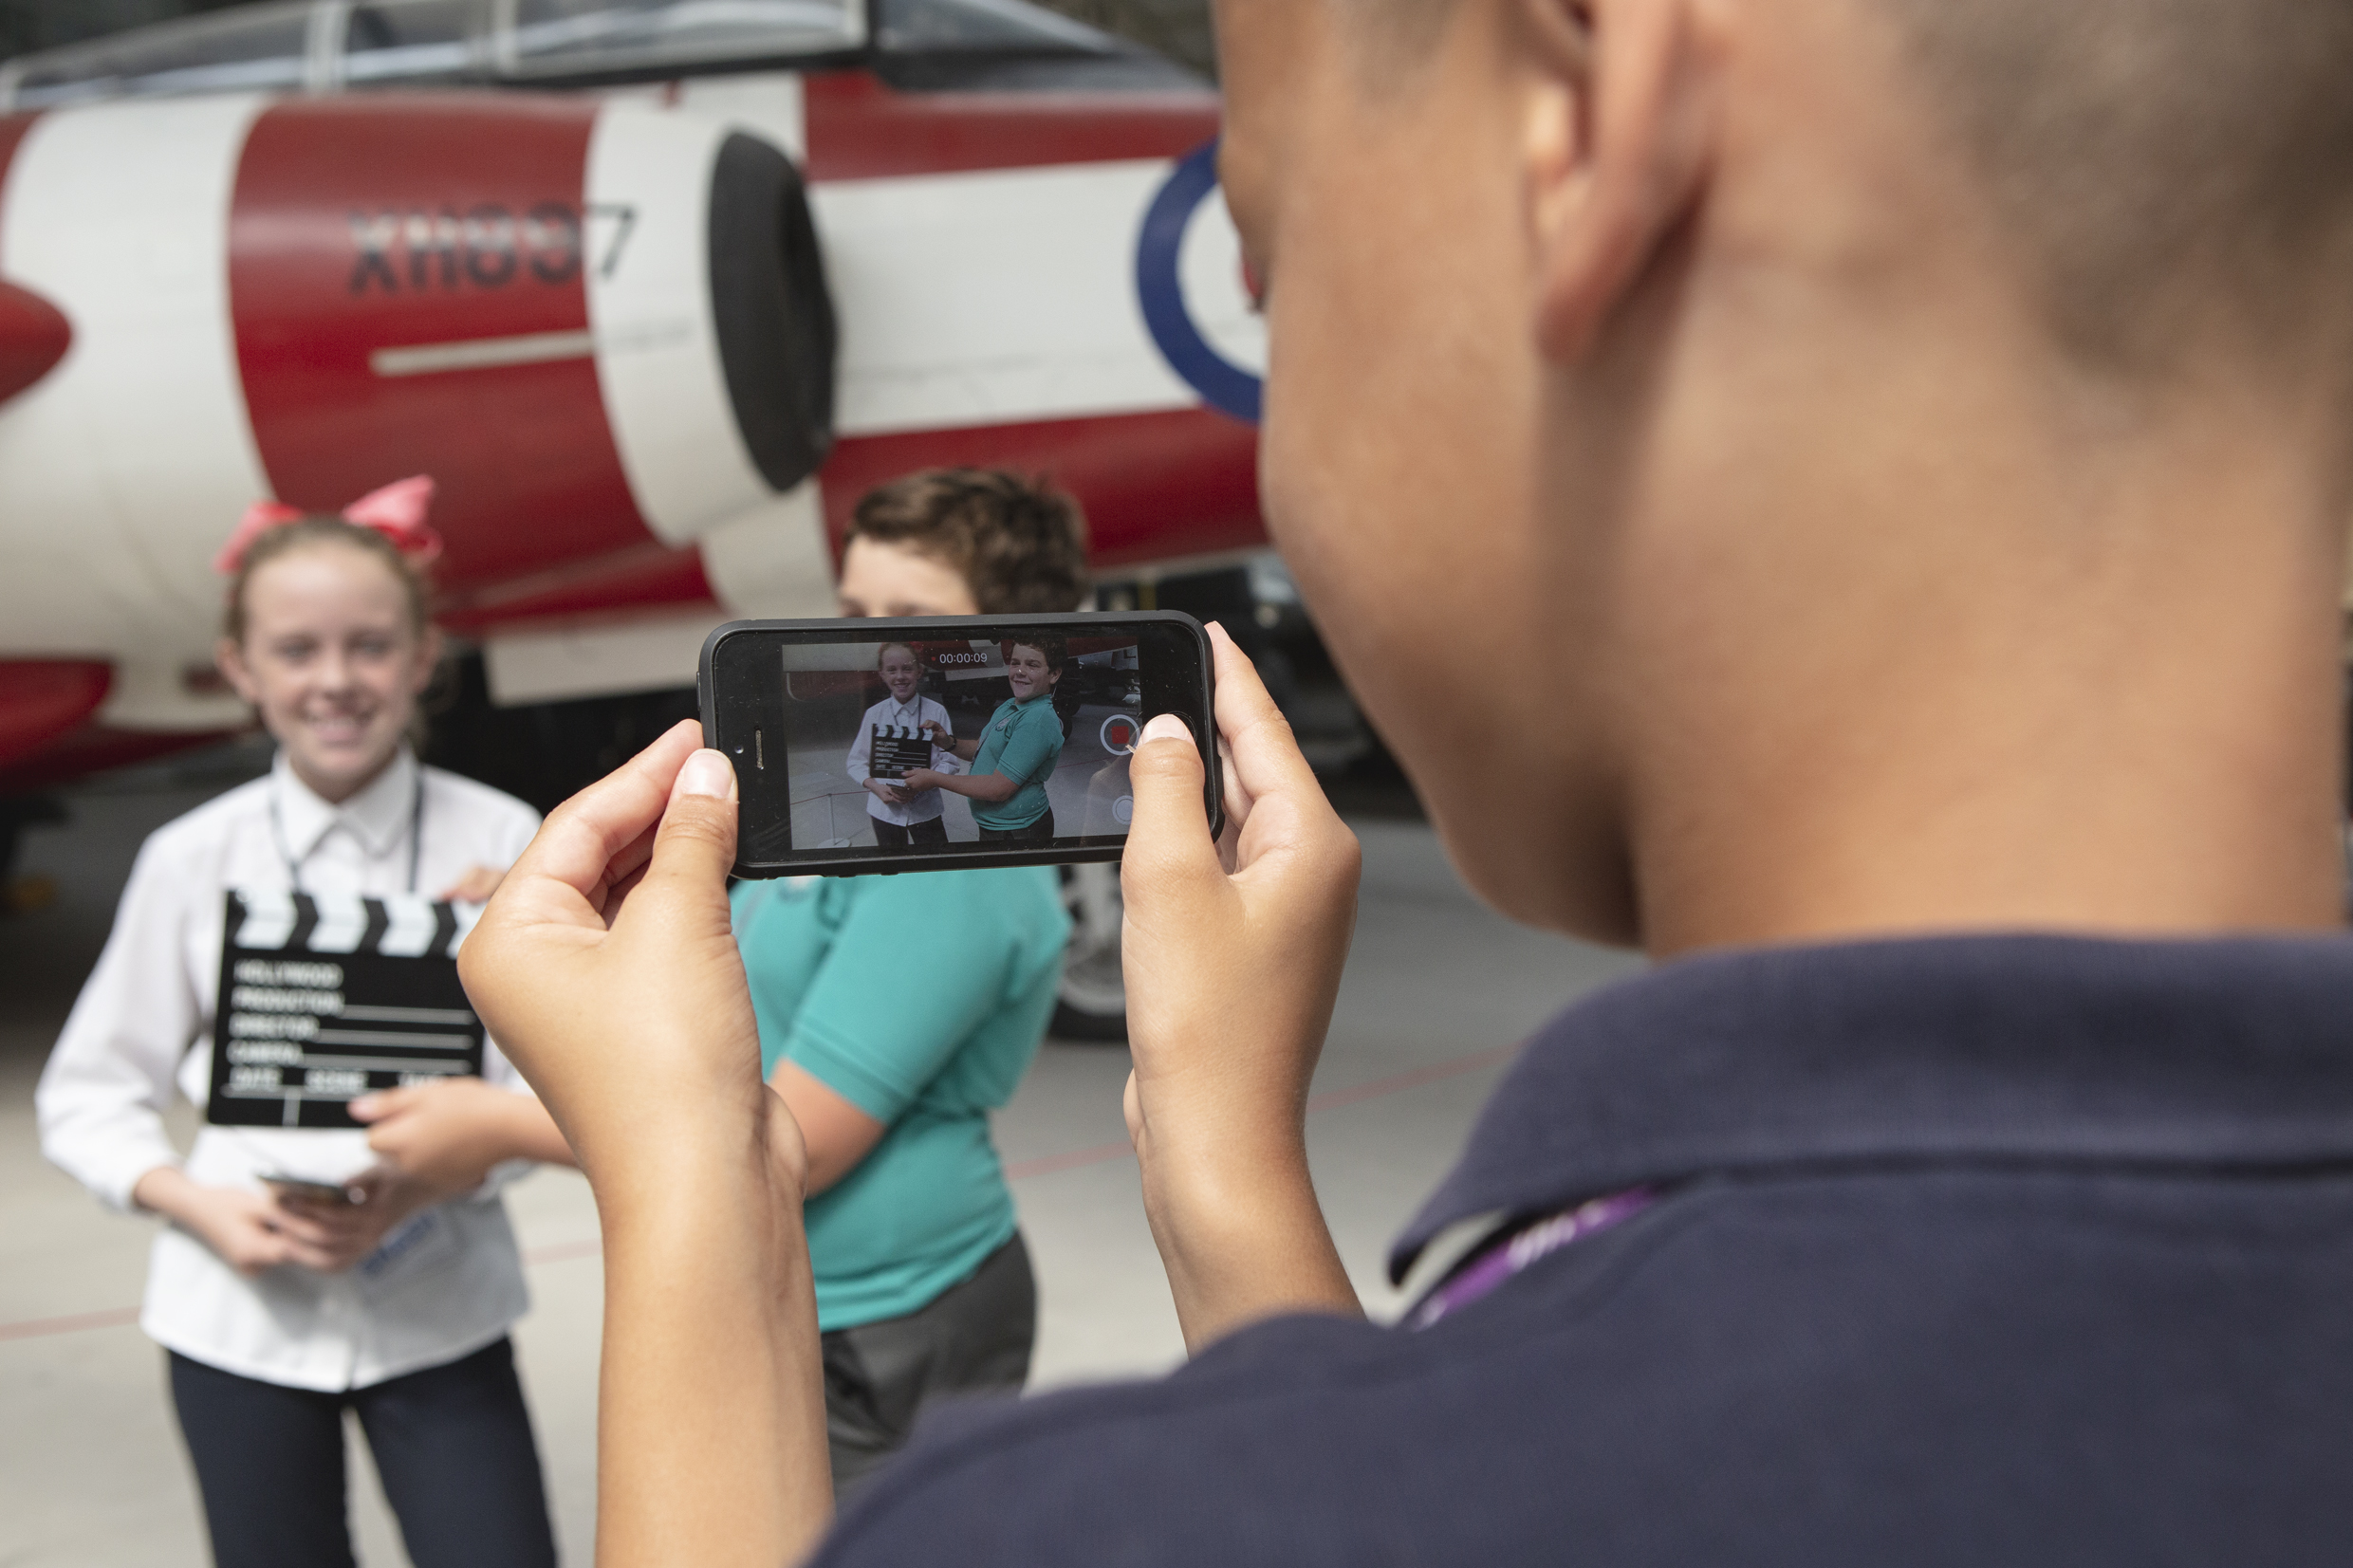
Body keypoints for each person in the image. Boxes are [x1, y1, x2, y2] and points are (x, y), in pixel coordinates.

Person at [457, 0, 2353, 1561]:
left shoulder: (1077, 1527)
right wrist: (1224, 1176)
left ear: (1582, 124)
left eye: (1267, 271)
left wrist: (692, 1174)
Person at [36, 482, 570, 1568]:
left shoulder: (504, 838)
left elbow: (552, 1084)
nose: (335, 681)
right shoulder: (193, 858)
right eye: (296, 650)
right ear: (241, 669)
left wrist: (441, 1173)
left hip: (443, 1307)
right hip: (236, 1315)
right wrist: (197, 1206)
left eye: (370, 646)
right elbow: (88, 1093)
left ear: (426, 657)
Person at [731, 469, 1084, 1493]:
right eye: (852, 615)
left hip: (888, 1322)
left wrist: (488, 1133)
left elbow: (794, 1145)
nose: (869, 647)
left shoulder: (955, 871)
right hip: (809, 1294)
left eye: (912, 622)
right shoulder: (852, 807)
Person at [905, 636, 1069, 842]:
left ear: (1054, 674)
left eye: (1032, 665)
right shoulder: (1012, 705)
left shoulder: (1037, 720)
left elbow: (998, 789)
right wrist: (947, 742)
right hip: (997, 825)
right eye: (1015, 663)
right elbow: (984, 748)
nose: (1019, 671)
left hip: (1017, 831)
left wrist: (933, 778)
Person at [843, 641, 961, 847]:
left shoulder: (936, 711)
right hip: (885, 811)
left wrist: (924, 785)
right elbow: (856, 762)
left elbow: (949, 761)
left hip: (926, 809)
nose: (900, 676)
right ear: (882, 674)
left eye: (907, 669)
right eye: (892, 670)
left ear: (919, 672)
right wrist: (876, 788)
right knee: (893, 866)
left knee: (935, 864)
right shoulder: (874, 714)